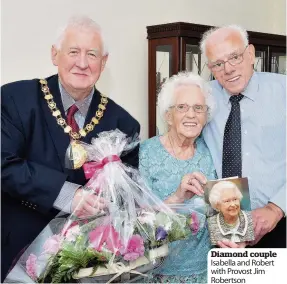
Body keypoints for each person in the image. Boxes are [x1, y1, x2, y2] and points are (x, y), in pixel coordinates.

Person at [1, 15, 140, 281]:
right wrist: (68, 195)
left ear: (104, 61)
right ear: (55, 54)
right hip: (16, 256)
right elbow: (4, 164)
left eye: (92, 54)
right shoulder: (16, 99)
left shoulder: (123, 124)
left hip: (92, 264)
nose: (82, 63)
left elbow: (126, 199)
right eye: (73, 51)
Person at [200, 25, 286, 248]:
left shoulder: (283, 92)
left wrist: (276, 208)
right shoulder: (202, 99)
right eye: (218, 64)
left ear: (250, 55)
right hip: (224, 229)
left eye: (234, 57)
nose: (227, 69)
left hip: (281, 222)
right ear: (210, 67)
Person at [139, 72, 217, 283]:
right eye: (182, 107)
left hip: (206, 272)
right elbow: (133, 220)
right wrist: (176, 198)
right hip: (156, 273)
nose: (191, 114)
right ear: (168, 115)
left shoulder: (212, 153)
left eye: (198, 108)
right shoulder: (145, 154)